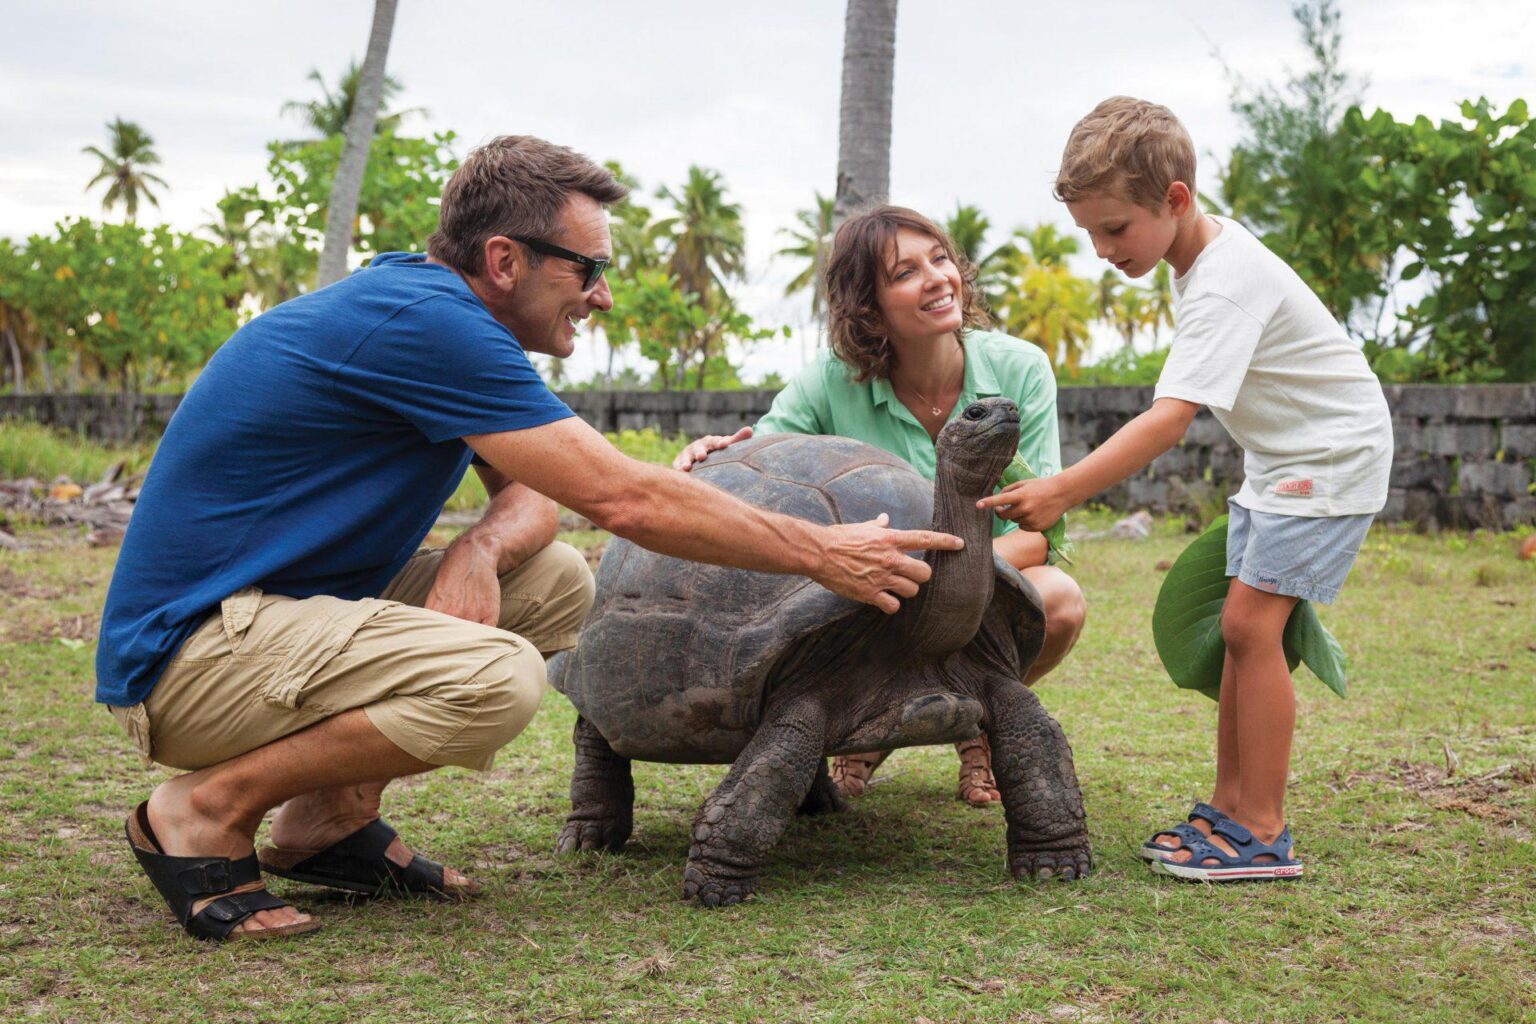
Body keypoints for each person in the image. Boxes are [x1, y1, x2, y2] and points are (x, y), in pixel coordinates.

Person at [100, 136, 965, 941]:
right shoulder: (428, 325)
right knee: (494, 679)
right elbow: (621, 495)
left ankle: (330, 821)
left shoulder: (440, 317)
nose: (602, 294)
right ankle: (203, 811)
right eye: (586, 268)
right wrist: (821, 552)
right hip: (192, 658)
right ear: (505, 261)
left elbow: (536, 502)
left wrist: (477, 550)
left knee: (550, 580)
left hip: (269, 627)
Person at [989, 97, 1392, 881]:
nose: (1104, 249)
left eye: (1115, 229)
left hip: (1329, 460)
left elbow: (1169, 419)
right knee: (1245, 632)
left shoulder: (1223, 285)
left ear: (1175, 200)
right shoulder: (1204, 262)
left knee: (1249, 629)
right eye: (1091, 234)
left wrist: (1064, 490)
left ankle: (1261, 829)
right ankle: (1228, 811)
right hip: (1282, 464)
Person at [673, 205, 1086, 807]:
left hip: (981, 585)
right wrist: (712, 456)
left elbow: (1040, 531)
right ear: (868, 304)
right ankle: (862, 722)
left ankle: (983, 724)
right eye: (906, 272)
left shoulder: (1017, 371)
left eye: (941, 259)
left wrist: (942, 578)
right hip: (865, 591)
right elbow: (759, 465)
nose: (938, 278)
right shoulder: (830, 384)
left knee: (1060, 601)